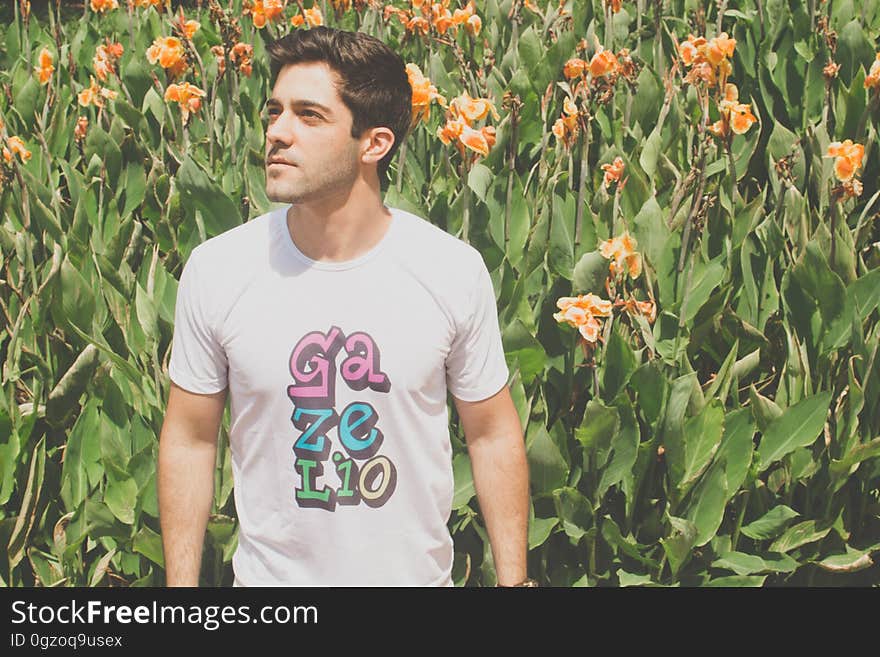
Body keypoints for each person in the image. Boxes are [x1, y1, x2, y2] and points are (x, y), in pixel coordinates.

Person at [158, 26, 531, 587]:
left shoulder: (450, 271)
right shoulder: (219, 270)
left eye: (309, 115)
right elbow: (189, 439)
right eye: (275, 111)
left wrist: (515, 585)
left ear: (373, 143)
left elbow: (492, 433)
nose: (277, 133)